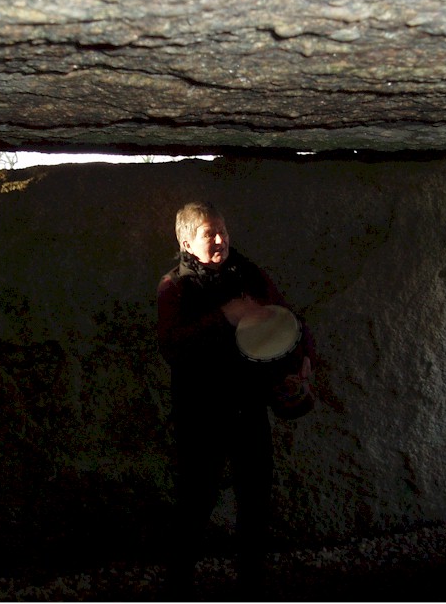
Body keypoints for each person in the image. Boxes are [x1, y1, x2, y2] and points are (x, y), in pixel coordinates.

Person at [156, 201, 315, 599]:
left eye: (224, 231)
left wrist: (302, 366)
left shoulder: (250, 276)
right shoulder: (175, 287)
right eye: (210, 233)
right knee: (196, 498)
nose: (221, 240)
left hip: (249, 406)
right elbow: (172, 347)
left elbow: (290, 324)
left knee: (256, 497)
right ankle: (178, 587)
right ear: (187, 242)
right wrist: (224, 315)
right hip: (201, 413)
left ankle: (252, 587)